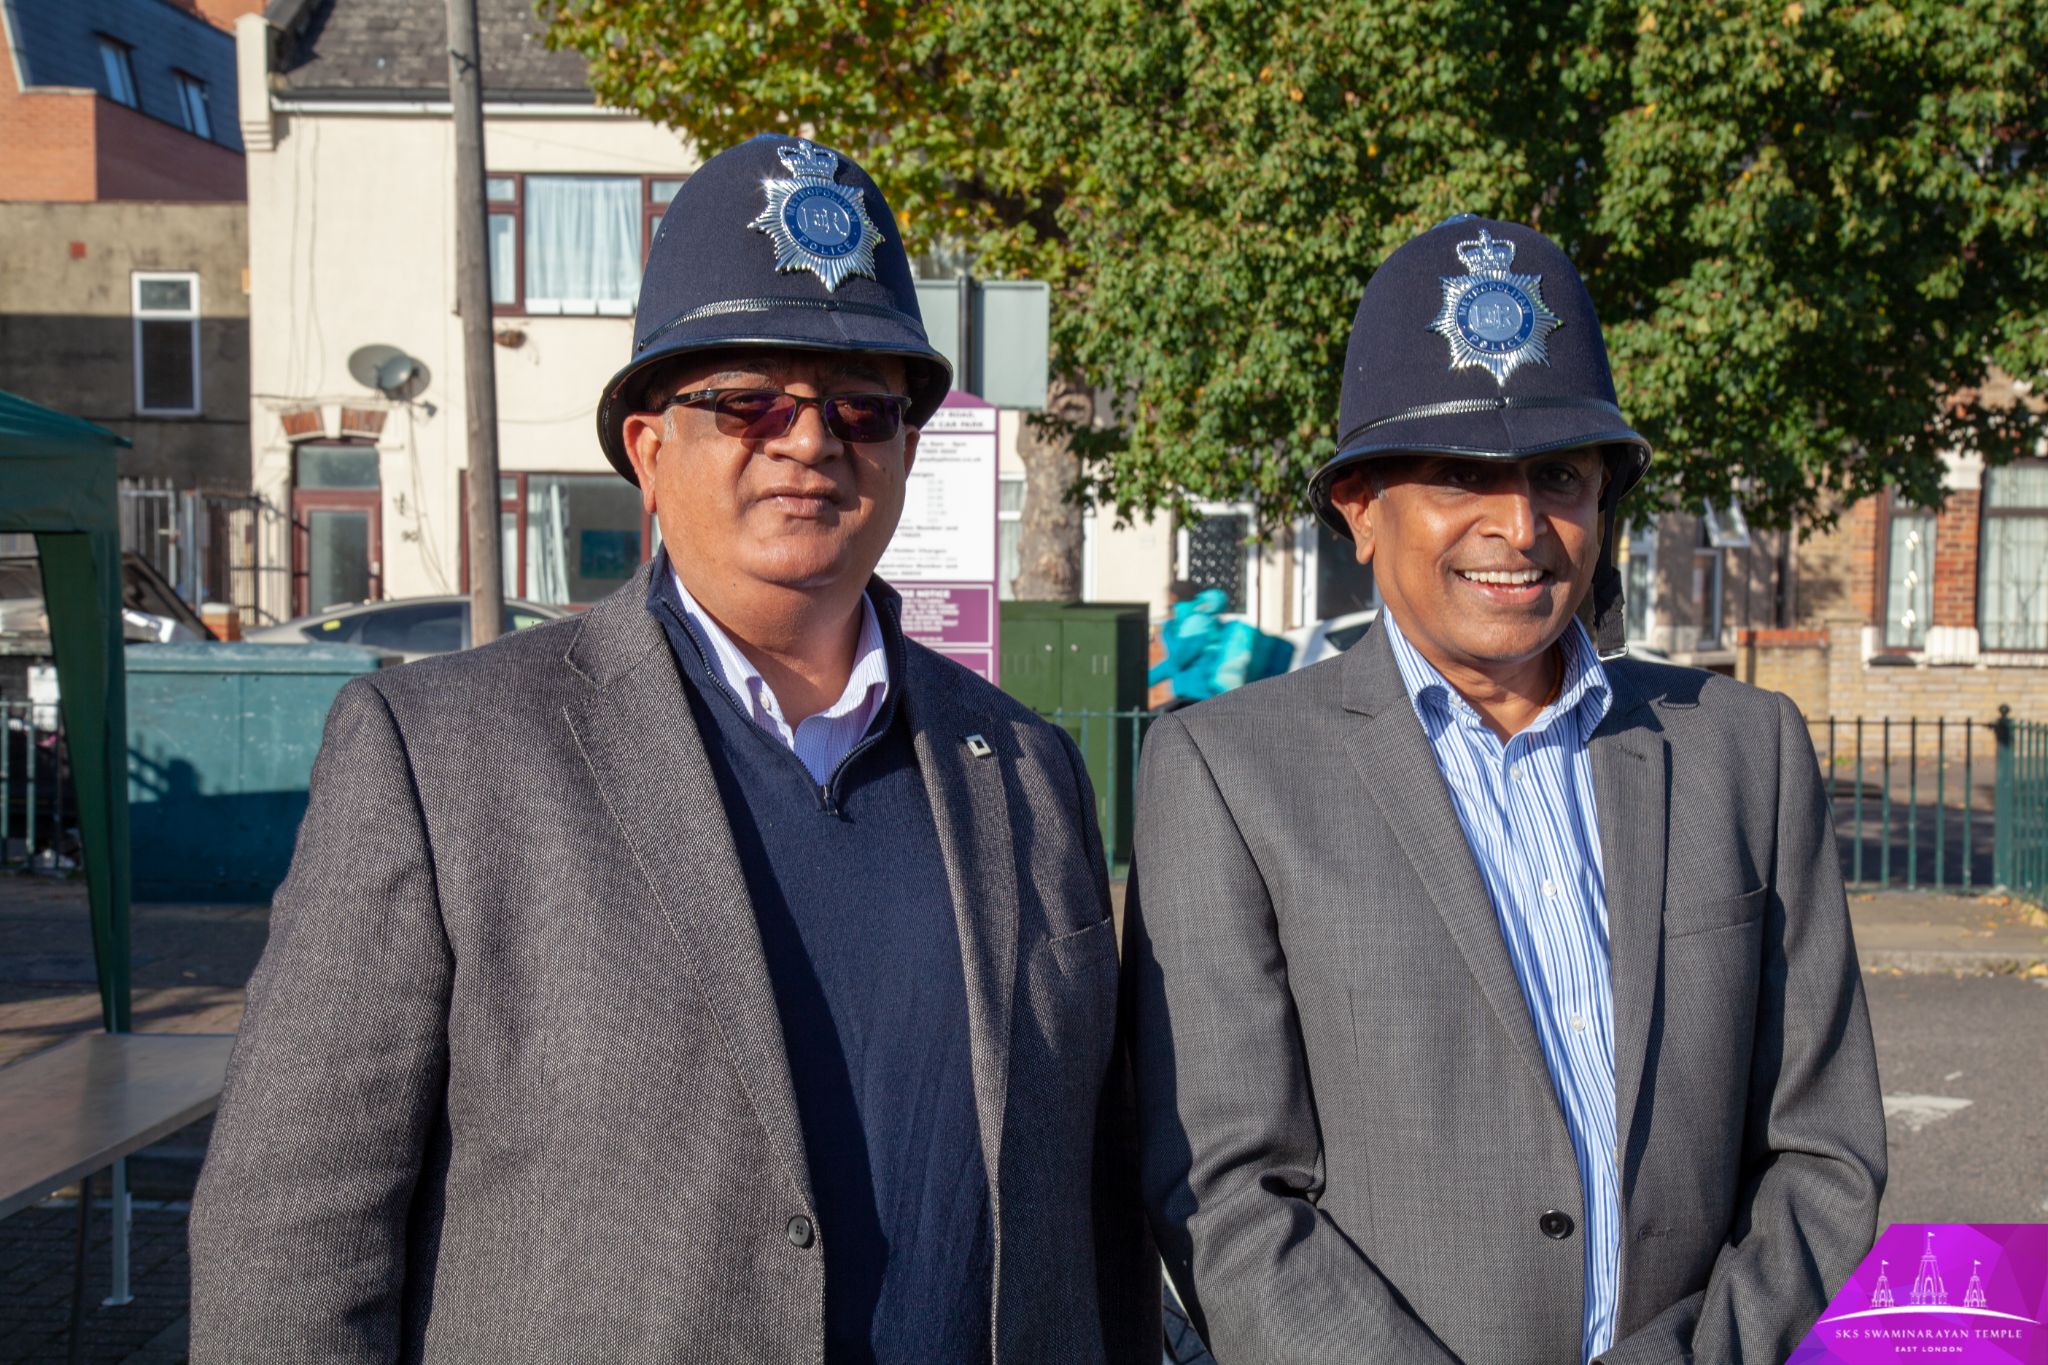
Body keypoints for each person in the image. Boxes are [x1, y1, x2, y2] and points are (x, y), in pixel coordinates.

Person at [191, 136, 1155, 1363]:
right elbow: (295, 1236)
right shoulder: (440, 758)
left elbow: (1094, 1207)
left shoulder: (1025, 771)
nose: (809, 440)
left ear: (908, 446)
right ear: (648, 448)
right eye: (749, 401)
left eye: (861, 406)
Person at [1126, 216, 1884, 1365]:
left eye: (1556, 476)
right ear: (1360, 507)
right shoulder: (1226, 775)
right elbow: (1224, 1193)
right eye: (1460, 477)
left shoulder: (1744, 753)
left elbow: (1820, 1153)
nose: (1518, 526)